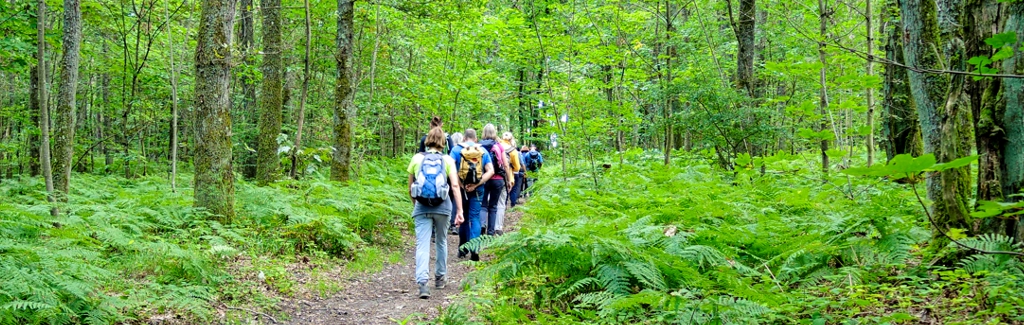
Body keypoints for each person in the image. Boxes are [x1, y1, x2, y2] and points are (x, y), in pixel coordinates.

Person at [407, 118, 463, 299]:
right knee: (441, 241)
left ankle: (423, 283)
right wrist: (460, 210)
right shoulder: (447, 160)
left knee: (422, 244)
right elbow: (455, 186)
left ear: (426, 140)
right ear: (444, 143)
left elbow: (410, 187)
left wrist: (416, 204)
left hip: (422, 206)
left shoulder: (416, 158)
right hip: (443, 206)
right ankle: (440, 278)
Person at [450, 129, 493, 261]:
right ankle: (475, 248)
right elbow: (491, 171)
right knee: (475, 218)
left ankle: (463, 249)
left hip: (461, 189)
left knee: (463, 217)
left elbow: (450, 171)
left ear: (463, 138)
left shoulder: (456, 150)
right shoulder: (483, 151)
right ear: (475, 139)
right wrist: (476, 184)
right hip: (478, 189)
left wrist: (462, 185)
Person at [478, 124, 512, 236]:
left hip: (483, 178)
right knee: (493, 206)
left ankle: (482, 225)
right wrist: (508, 179)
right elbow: (506, 165)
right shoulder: (499, 146)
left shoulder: (478, 146)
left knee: (483, 205)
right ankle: (491, 231)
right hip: (498, 179)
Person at [447, 132, 464, 234]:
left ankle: (449, 222)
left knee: (448, 198)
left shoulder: (451, 151)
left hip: (449, 177)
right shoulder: (463, 150)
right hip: (460, 178)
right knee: (456, 199)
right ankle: (455, 224)